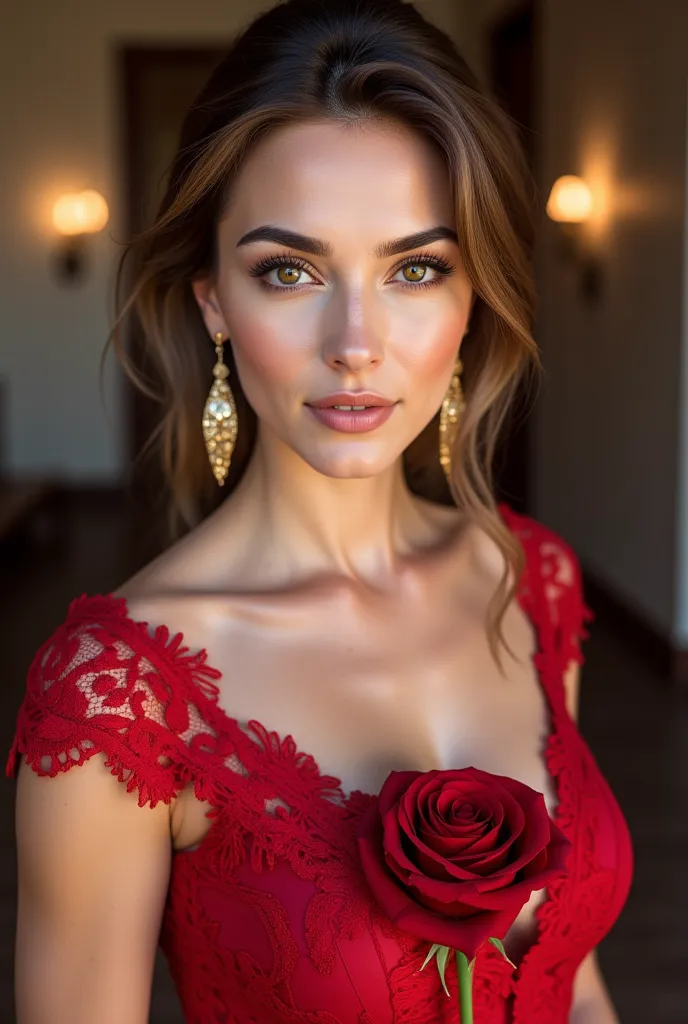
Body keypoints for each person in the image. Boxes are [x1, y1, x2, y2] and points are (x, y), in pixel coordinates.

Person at [6, 1, 634, 1021]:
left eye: (415, 268)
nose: (355, 339)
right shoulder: (120, 698)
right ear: (212, 293)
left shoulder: (531, 577)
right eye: (288, 270)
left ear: (471, 295)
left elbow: (580, 984)